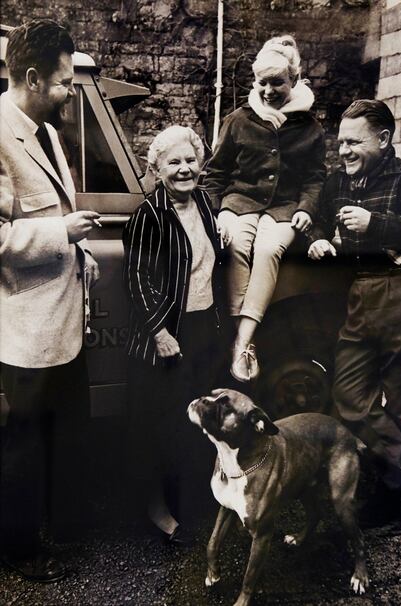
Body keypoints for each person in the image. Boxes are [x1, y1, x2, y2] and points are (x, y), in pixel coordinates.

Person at [0, 20, 100, 581]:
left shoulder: (47, 130)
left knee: (66, 434)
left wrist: (79, 254)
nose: (69, 92)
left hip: (65, 320)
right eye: (63, 82)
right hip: (27, 328)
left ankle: (59, 532)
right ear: (33, 78)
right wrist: (63, 233)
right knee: (23, 446)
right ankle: (18, 549)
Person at [308, 99, 401, 528]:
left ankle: (393, 499)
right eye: (341, 142)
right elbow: (315, 220)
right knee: (349, 395)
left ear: (384, 139)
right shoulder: (338, 182)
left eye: (355, 142)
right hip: (358, 293)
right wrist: (319, 240)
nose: (344, 151)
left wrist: (376, 225)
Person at [203, 34, 326, 383]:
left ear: (295, 81)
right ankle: (242, 336)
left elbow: (316, 177)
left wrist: (307, 208)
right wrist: (212, 214)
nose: (269, 91)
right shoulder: (239, 119)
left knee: (269, 248)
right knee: (238, 244)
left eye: (278, 83)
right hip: (239, 202)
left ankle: (242, 341)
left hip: (285, 209)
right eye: (262, 83)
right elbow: (216, 173)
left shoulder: (309, 127)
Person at [123, 125, 221, 543]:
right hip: (167, 335)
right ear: (155, 169)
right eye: (173, 162)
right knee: (163, 426)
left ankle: (191, 501)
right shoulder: (149, 214)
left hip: (203, 327)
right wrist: (159, 332)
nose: (184, 169)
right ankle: (157, 509)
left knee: (198, 422)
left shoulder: (203, 201)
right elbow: (137, 278)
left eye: (190, 160)